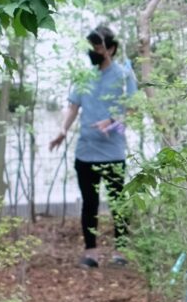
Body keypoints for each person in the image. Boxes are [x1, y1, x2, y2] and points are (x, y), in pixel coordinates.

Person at [50, 26, 138, 266]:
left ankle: (120, 251)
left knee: (118, 202)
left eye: (98, 47)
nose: (94, 52)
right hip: (85, 151)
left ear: (110, 49)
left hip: (113, 151)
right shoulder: (85, 76)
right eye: (91, 48)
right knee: (89, 203)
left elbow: (133, 110)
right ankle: (91, 253)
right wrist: (62, 131)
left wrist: (112, 122)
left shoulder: (124, 76)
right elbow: (73, 106)